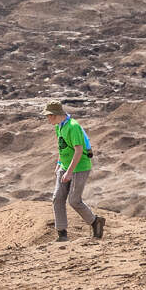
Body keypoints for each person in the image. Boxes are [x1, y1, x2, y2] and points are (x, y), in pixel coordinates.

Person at [44, 101, 106, 241]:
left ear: (54, 115)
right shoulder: (59, 126)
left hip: (79, 168)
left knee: (74, 200)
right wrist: (59, 163)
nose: (47, 119)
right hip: (65, 167)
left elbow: (78, 151)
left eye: (48, 116)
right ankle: (62, 234)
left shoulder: (73, 127)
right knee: (57, 198)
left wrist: (69, 172)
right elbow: (62, 146)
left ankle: (95, 221)